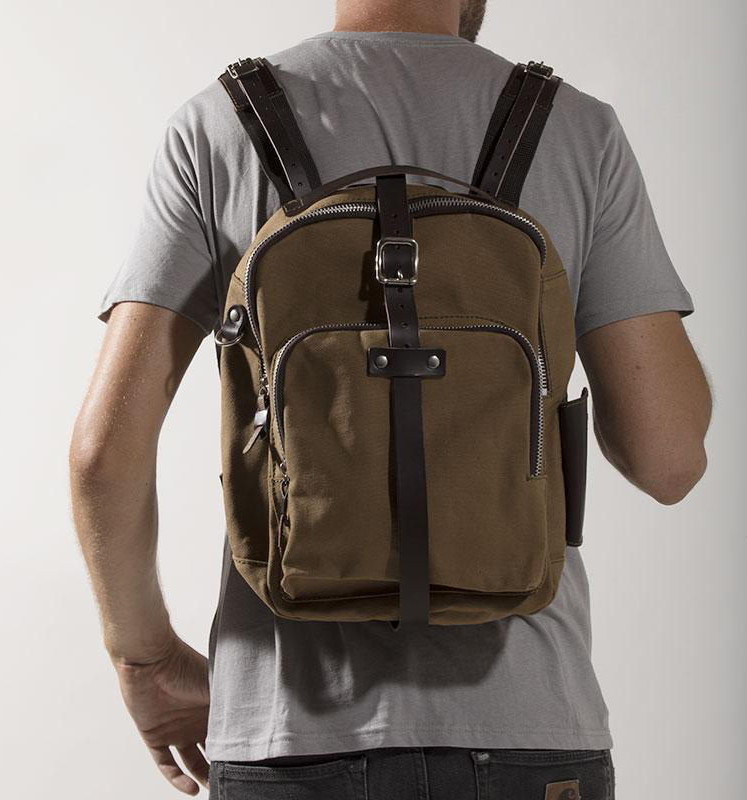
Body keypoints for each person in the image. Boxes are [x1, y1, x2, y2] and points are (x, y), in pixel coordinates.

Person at [69, 1, 712, 797]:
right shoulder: (576, 131)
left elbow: (103, 457)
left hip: (288, 734)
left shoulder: (218, 126)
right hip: (529, 732)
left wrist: (147, 662)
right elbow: (669, 458)